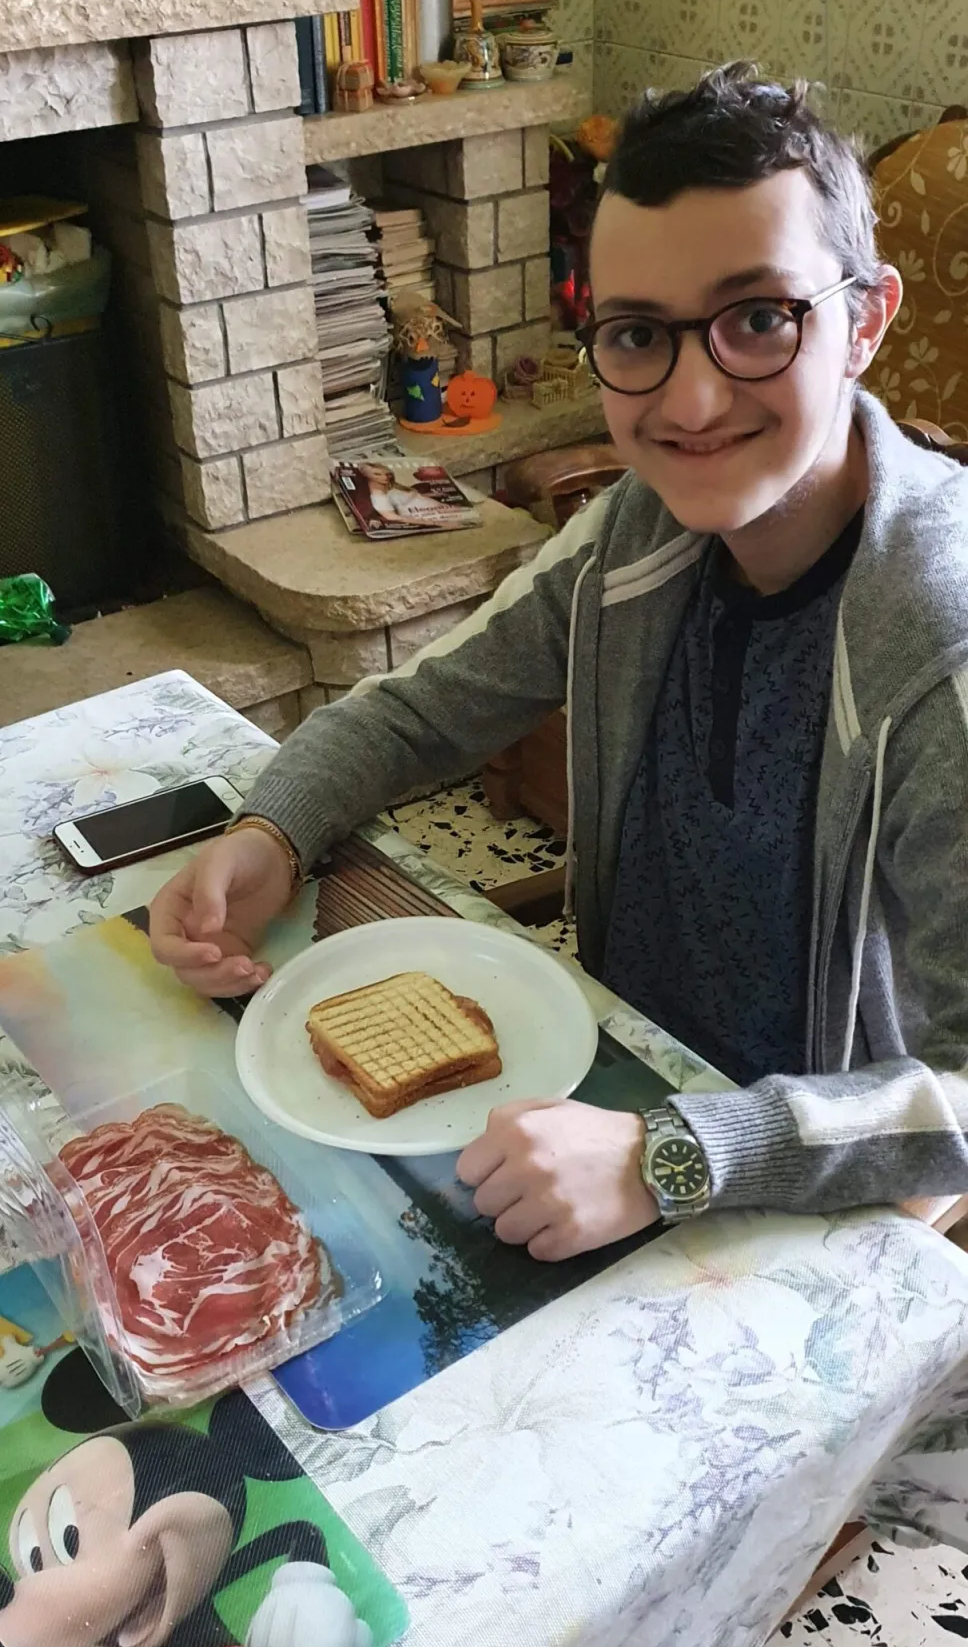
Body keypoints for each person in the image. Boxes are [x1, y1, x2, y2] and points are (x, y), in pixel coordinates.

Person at [149, 63, 968, 1262]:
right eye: (637, 333)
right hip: (607, 1084)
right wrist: (269, 831)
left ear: (862, 321)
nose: (689, 399)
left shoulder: (939, 648)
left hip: (809, 1181)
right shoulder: (633, 531)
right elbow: (422, 711)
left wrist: (672, 1155)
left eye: (756, 318)